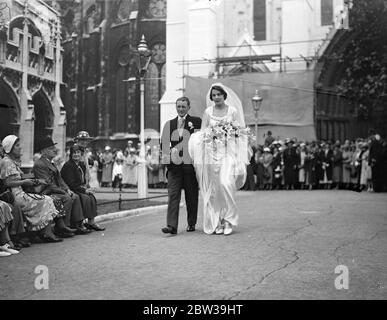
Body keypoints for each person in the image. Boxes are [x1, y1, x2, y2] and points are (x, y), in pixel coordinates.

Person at [188, 83, 251, 235]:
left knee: (226, 183)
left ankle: (230, 219)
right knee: (215, 189)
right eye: (214, 95)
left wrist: (231, 138)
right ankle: (218, 220)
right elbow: (202, 133)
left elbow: (239, 133)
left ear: (224, 95)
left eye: (218, 94)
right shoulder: (208, 112)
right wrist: (210, 136)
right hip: (212, 154)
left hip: (229, 153)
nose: (216, 97)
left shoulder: (233, 111)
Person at [0, 135, 62, 243]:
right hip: (15, 195)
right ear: (10, 148)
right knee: (46, 200)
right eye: (17, 146)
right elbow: (7, 182)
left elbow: (19, 177)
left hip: (20, 192)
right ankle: (46, 233)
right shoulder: (7, 162)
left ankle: (43, 232)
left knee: (46, 199)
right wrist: (25, 182)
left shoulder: (11, 161)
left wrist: (37, 181)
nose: (20, 148)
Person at [160, 97, 202, 235]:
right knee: (173, 196)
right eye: (178, 106)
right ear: (175, 107)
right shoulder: (169, 124)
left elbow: (200, 144)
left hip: (190, 167)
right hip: (174, 168)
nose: (181, 109)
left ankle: (191, 223)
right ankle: (171, 226)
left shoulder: (196, 122)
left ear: (189, 107)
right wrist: (168, 165)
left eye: (184, 106)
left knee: (191, 196)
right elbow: (164, 147)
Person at [32, 136, 88, 237]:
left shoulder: (50, 162)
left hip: (54, 190)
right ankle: (62, 228)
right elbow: (47, 183)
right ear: (44, 151)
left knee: (74, 196)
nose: (54, 150)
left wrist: (67, 189)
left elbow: (60, 179)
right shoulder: (40, 164)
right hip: (46, 191)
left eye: (54, 147)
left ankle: (75, 225)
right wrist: (63, 191)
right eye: (51, 148)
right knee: (67, 198)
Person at [61, 144, 105, 231]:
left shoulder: (81, 165)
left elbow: (83, 181)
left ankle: (91, 222)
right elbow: (70, 183)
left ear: (81, 154)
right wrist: (84, 190)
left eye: (78, 153)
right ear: (71, 155)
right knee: (85, 197)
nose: (76, 154)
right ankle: (79, 224)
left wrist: (87, 188)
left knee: (91, 197)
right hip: (70, 189)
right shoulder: (68, 165)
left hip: (78, 188)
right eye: (74, 153)